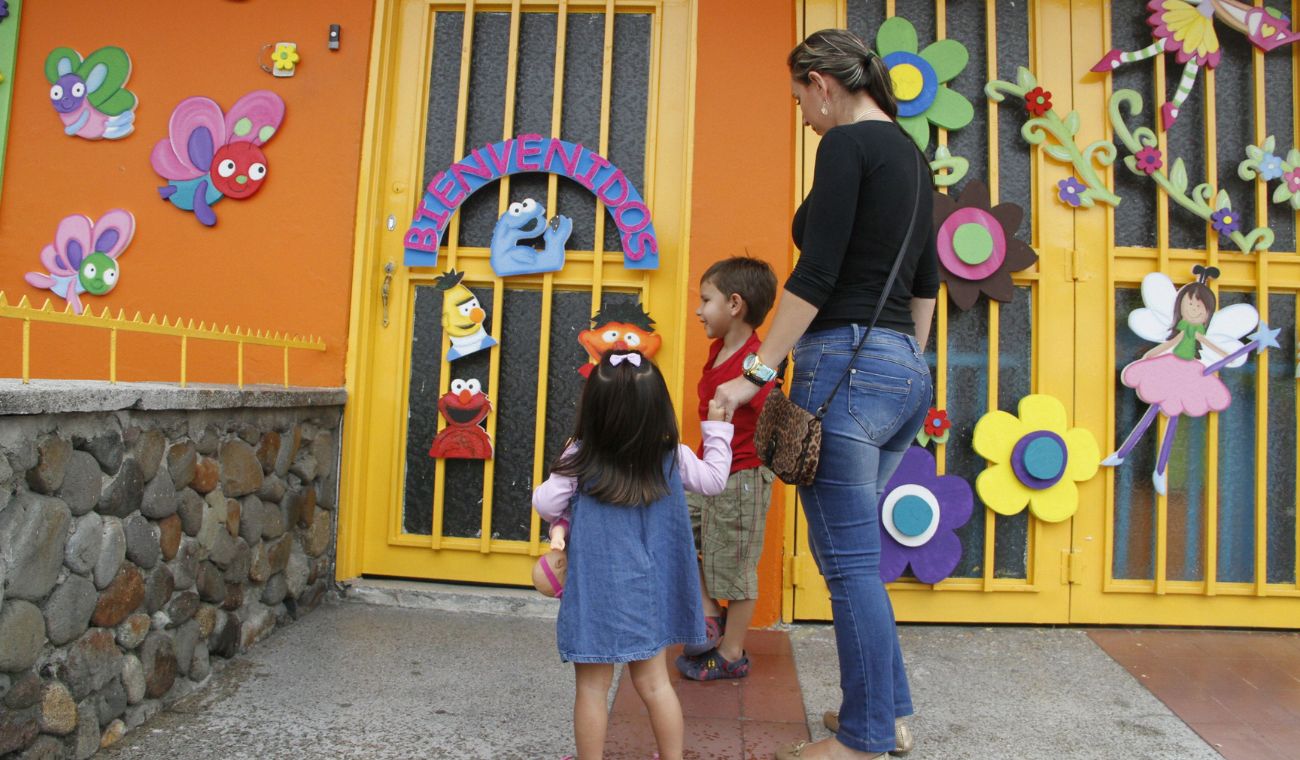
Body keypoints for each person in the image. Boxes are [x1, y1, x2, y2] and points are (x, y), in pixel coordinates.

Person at [712, 29, 938, 760]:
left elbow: (817, 272)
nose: (805, 117)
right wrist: (907, 359)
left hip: (844, 360)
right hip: (902, 368)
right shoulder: (911, 154)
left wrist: (755, 370)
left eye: (800, 101)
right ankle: (888, 712)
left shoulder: (845, 147)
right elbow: (929, 283)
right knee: (855, 555)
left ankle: (869, 737)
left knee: (846, 562)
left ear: (821, 82)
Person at [533, 350, 734, 760]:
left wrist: (566, 463)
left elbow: (544, 503)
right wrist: (716, 430)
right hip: (650, 595)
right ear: (658, 408)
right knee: (656, 685)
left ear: (592, 409)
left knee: (591, 687)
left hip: (597, 595)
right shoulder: (671, 456)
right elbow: (714, 481)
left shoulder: (581, 457)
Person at [676, 257, 779, 681]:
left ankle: (732, 652)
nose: (698, 310)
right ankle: (706, 611)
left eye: (706, 300)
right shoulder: (718, 350)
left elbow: (768, 376)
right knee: (673, 525)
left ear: (734, 304)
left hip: (743, 478)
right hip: (709, 471)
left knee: (736, 565)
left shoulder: (757, 360)